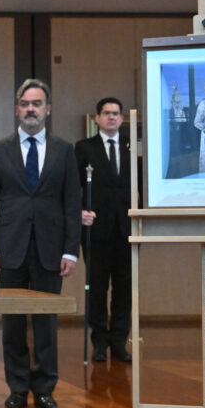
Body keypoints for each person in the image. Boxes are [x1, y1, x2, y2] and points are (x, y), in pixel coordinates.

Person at [0, 78, 81, 408]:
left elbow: (71, 204)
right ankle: (18, 387)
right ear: (17, 109)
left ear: (47, 109)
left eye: (37, 104)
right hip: (10, 248)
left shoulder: (65, 150)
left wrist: (70, 250)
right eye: (25, 104)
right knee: (14, 322)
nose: (30, 109)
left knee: (47, 321)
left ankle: (45, 387)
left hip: (51, 247)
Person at [75, 97, 132, 363]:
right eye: (107, 113)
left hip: (126, 229)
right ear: (97, 118)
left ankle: (119, 341)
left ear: (122, 119)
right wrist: (78, 212)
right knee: (97, 288)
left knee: (125, 288)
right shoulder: (84, 148)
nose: (112, 117)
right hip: (95, 230)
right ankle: (99, 340)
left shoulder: (132, 148)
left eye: (116, 114)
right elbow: (71, 186)